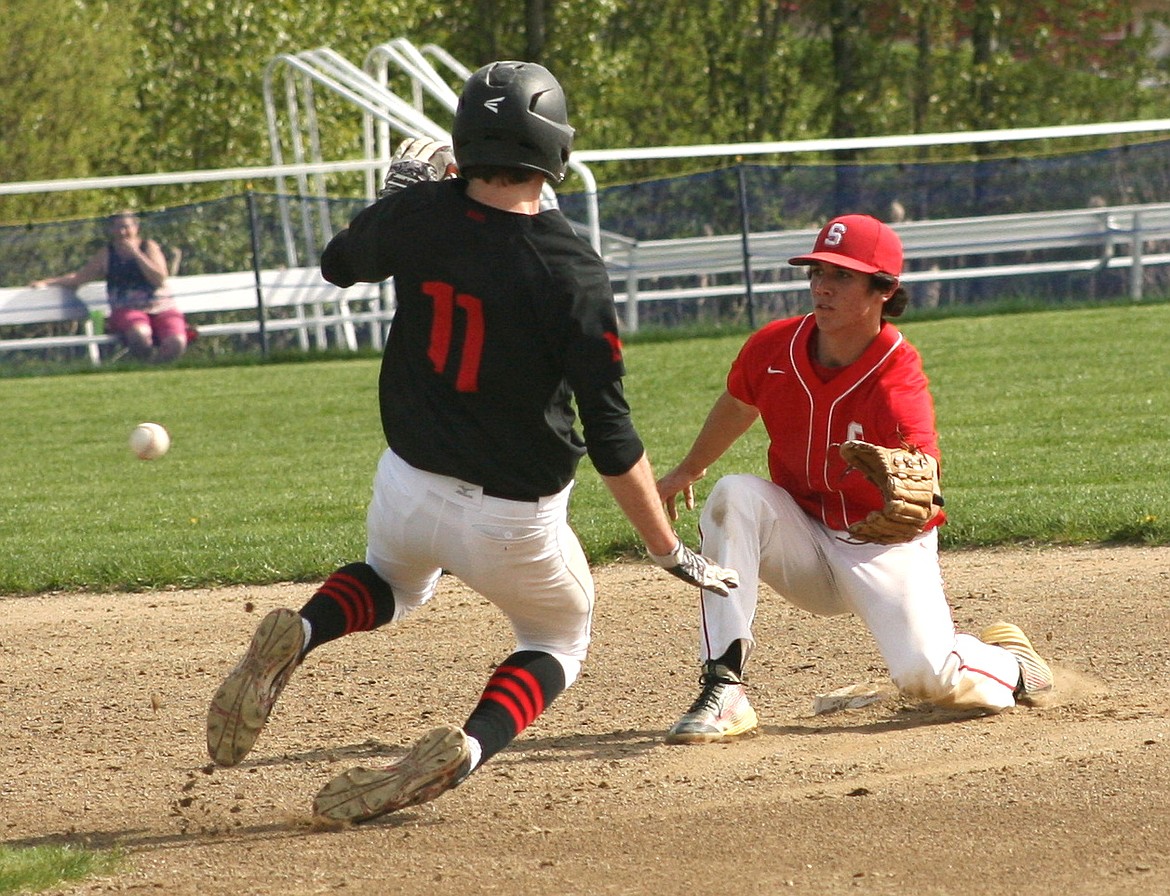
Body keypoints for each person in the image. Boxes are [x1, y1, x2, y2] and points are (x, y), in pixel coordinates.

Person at [205, 61, 737, 824]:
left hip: (407, 485)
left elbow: (338, 264)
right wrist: (666, 550)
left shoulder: (420, 213)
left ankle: (307, 628)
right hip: (513, 520)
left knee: (395, 580)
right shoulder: (570, 269)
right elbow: (612, 439)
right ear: (552, 147)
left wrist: (395, 201)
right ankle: (471, 745)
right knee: (560, 637)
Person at [656, 213, 1053, 745]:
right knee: (734, 496)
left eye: (842, 275)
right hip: (801, 534)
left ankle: (1011, 663)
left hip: (880, 543)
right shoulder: (774, 346)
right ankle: (724, 687)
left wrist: (915, 488)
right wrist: (689, 467)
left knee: (929, 678)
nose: (822, 285)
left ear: (883, 291)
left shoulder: (897, 374)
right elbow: (737, 402)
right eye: (817, 271)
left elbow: (923, 473)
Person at [31, 210, 187, 362]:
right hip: (127, 309)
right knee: (140, 335)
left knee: (176, 343)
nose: (123, 232)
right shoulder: (107, 254)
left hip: (162, 307)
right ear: (111, 230)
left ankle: (157, 368)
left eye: (127, 227)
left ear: (136, 227)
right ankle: (146, 368)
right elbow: (80, 278)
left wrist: (137, 254)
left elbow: (159, 279)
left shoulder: (148, 247)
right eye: (118, 227)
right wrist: (47, 282)